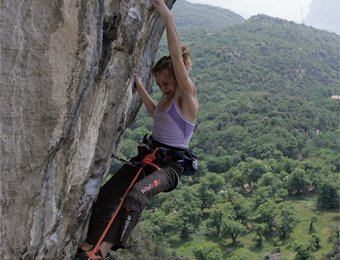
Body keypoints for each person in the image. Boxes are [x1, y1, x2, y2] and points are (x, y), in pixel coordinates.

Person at [75, 0, 198, 258]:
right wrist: (139, 83)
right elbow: (154, 112)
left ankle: (102, 251)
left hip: (170, 167)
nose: (163, 88)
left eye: (166, 82)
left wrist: (167, 16)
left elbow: (176, 57)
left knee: (135, 197)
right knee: (109, 193)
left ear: (179, 76)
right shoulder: (165, 101)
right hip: (148, 157)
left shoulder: (186, 97)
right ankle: (89, 245)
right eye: (159, 83)